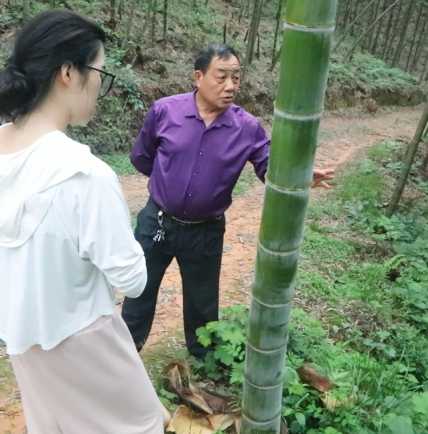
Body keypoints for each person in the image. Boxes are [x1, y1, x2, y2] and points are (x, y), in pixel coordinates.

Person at [0, 10, 164, 433]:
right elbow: (133, 280)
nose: (100, 87)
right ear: (67, 72)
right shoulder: (84, 173)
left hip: (25, 338)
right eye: (100, 73)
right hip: (85, 339)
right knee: (141, 424)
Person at [122, 44, 335, 359]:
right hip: (158, 222)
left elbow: (268, 165)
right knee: (139, 290)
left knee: (202, 301)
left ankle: (204, 359)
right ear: (198, 77)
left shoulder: (246, 127)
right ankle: (124, 354)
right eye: (221, 77)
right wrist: (169, 182)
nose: (231, 86)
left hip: (205, 231)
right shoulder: (165, 110)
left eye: (236, 78)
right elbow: (142, 157)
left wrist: (296, 176)